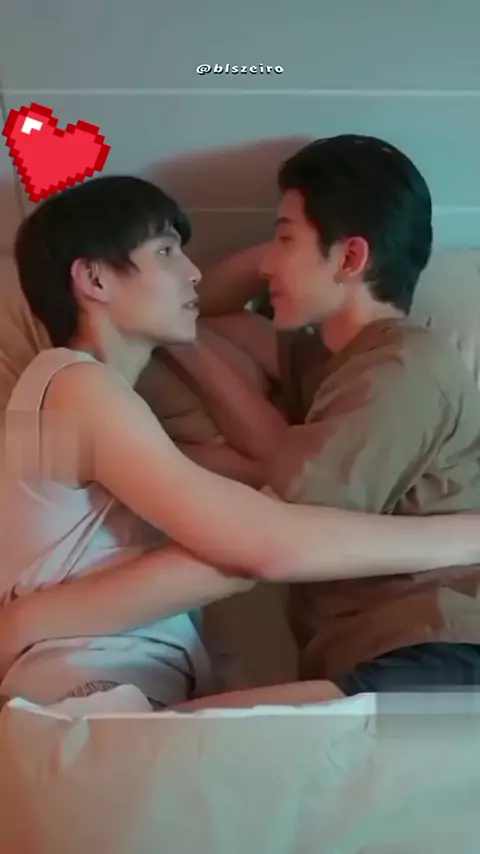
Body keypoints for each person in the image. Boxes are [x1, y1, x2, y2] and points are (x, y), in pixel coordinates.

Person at [1, 175, 480, 712]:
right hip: (85, 689)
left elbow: (267, 484)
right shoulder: (73, 384)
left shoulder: (110, 419)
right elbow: (260, 543)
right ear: (94, 278)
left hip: (122, 690)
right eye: (166, 252)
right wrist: (468, 536)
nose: (193, 271)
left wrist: (28, 620)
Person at [197, 134, 480, 695]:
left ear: (351, 258)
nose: (268, 263)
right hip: (376, 658)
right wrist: (179, 333)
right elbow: (203, 310)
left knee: (181, 737)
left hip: (438, 649)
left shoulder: (404, 369)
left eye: (284, 239)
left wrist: (182, 346)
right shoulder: (325, 357)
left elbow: (291, 516)